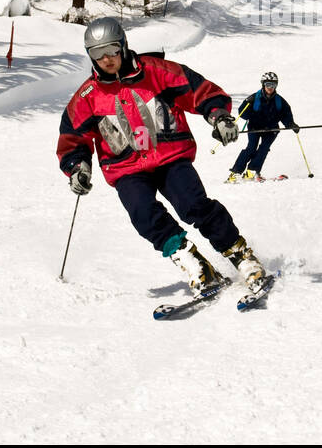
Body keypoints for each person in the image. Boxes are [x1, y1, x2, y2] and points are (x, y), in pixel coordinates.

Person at [56, 17, 267, 295]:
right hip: (127, 170)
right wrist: (77, 167)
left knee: (194, 205)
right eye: (97, 53)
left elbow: (200, 91)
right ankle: (195, 264)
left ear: (123, 46)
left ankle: (241, 255)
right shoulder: (88, 96)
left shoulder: (157, 71)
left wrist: (218, 116)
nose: (106, 59)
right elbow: (72, 139)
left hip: (171, 158)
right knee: (144, 215)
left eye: (111, 50)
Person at [226, 71, 298, 183]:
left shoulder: (280, 101)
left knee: (264, 149)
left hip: (271, 129)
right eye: (268, 84)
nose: (270, 87)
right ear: (263, 84)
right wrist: (247, 105)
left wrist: (291, 124)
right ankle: (235, 172)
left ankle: (252, 171)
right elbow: (242, 113)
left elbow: (286, 115)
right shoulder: (254, 98)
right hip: (255, 127)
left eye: (273, 85)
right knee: (251, 148)